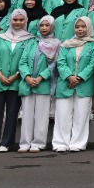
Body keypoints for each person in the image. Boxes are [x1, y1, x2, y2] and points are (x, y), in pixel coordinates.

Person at [0, 8, 30, 153]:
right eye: (15, 20)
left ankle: (6, 142)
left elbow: (26, 60)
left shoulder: (30, 39)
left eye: (21, 20)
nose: (18, 23)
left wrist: (16, 75)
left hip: (16, 82)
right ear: (10, 20)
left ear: (25, 21)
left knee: (12, 114)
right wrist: (0, 74)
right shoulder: (0, 37)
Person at [51, 15, 94, 152]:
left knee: (81, 115)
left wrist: (79, 78)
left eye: (83, 26)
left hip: (84, 84)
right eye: (77, 27)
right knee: (62, 115)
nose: (80, 29)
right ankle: (60, 143)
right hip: (65, 84)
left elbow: (92, 64)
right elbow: (60, 62)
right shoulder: (66, 44)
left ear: (89, 27)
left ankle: (78, 143)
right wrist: (69, 76)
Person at [18, 15, 59, 152]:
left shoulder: (56, 43)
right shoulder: (32, 42)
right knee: (27, 115)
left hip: (43, 84)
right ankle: (25, 143)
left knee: (42, 115)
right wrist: (27, 77)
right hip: (28, 83)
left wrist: (41, 77)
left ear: (52, 27)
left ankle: (38, 143)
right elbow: (22, 62)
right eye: (42, 25)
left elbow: (54, 64)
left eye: (47, 25)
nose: (44, 28)